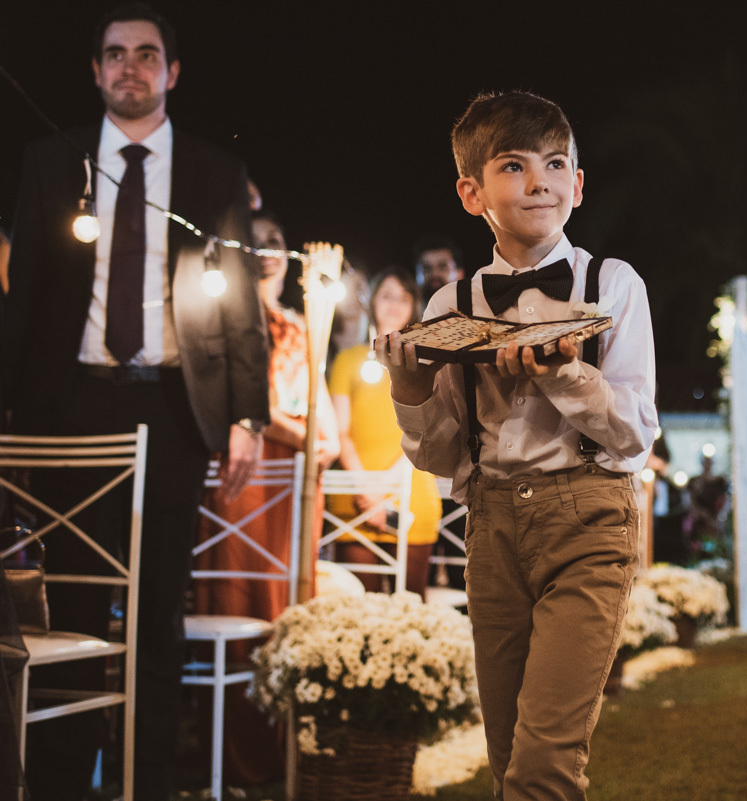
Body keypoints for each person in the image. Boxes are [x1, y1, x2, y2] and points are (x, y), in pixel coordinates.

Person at [0, 5, 269, 799]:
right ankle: (57, 785)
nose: (130, 67)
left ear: (172, 73)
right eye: (115, 54)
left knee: (157, 609)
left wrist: (247, 412)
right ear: (94, 71)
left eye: (146, 55)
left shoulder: (215, 173)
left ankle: (147, 783)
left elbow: (241, 302)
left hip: (174, 410)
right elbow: (23, 302)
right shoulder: (50, 161)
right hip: (70, 408)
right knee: (75, 601)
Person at [378, 90, 657, 800]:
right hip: (492, 524)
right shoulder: (449, 306)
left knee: (543, 765)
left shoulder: (613, 284)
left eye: (555, 163)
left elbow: (633, 431)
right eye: (514, 165)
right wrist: (410, 392)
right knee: (506, 759)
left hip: (589, 519)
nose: (540, 181)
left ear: (578, 184)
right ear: (472, 193)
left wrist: (565, 373)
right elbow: (441, 454)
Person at [191, 208, 338, 786]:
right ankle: (230, 757)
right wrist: (299, 432)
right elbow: (238, 404)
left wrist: (319, 439)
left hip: (292, 486)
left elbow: (318, 403)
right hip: (242, 483)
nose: (271, 250)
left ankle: (282, 755)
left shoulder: (300, 326)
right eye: (257, 243)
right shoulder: (225, 324)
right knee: (233, 603)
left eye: (277, 240)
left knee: (283, 611)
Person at [326, 266, 442, 595]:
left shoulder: (427, 361)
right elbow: (341, 430)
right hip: (356, 494)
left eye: (403, 298)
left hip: (411, 493)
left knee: (409, 607)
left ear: (413, 307)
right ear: (372, 301)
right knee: (360, 609)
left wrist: (387, 490)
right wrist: (367, 489)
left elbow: (428, 430)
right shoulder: (348, 360)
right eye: (386, 296)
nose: (393, 304)